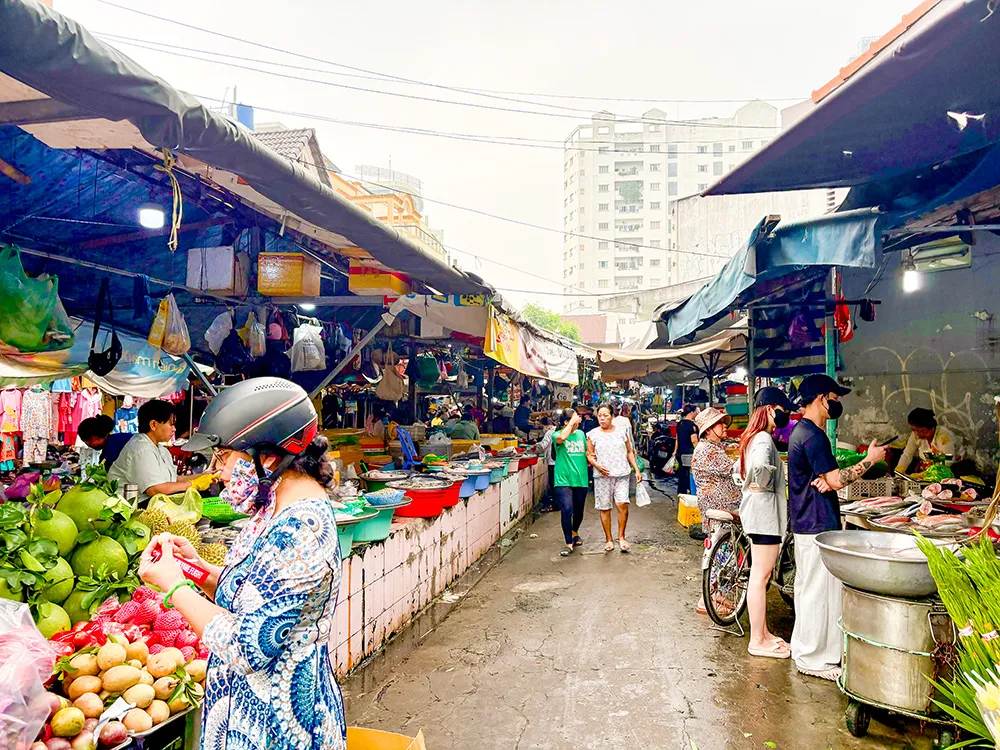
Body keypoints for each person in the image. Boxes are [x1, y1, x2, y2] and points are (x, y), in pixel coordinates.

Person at [137, 378, 347, 750]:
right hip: (245, 716)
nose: (216, 471)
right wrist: (194, 568)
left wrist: (176, 588)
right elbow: (253, 593)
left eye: (223, 457)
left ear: (267, 457)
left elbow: (250, 645)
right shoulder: (273, 508)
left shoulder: (301, 531)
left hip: (277, 727)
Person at [787, 374, 887, 681]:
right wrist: (870, 460)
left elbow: (826, 480)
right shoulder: (813, 437)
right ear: (820, 399)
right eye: (834, 397)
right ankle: (813, 659)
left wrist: (828, 481)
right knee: (818, 591)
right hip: (816, 522)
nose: (837, 402)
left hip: (807, 520)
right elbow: (835, 480)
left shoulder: (802, 432)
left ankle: (807, 650)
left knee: (809, 589)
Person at [736, 387, 795, 658]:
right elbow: (759, 468)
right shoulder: (762, 438)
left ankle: (763, 632)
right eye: (783, 409)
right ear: (770, 409)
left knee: (761, 577)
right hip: (764, 517)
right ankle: (757, 640)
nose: (786, 414)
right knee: (759, 578)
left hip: (760, 515)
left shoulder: (757, 437)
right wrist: (767, 482)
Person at [109, 400, 213, 502]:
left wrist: (204, 476)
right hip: (136, 506)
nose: (174, 429)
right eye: (171, 424)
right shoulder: (141, 449)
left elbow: (173, 480)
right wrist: (194, 484)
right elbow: (154, 490)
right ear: (153, 425)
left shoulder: (160, 449)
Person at [690, 407, 740, 613]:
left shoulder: (713, 447)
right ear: (709, 429)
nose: (725, 427)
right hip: (720, 508)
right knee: (722, 554)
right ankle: (706, 600)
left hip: (722, 507)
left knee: (726, 551)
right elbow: (736, 469)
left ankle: (718, 595)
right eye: (720, 424)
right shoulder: (708, 451)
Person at [587, 403, 642, 553]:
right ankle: (609, 539)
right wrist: (597, 465)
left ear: (612, 417)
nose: (602, 419)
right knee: (604, 507)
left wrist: (636, 469)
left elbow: (629, 452)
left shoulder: (621, 432)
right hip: (602, 476)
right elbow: (589, 454)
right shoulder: (592, 434)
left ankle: (621, 537)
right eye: (600, 416)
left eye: (605, 415)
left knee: (622, 504)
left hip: (622, 474)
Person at [551, 409, 589, 555]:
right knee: (567, 509)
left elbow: (587, 452)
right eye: (574, 418)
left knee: (579, 510)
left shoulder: (581, 435)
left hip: (580, 478)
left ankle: (574, 532)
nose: (578, 420)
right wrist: (571, 423)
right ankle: (568, 542)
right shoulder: (557, 435)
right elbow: (561, 438)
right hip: (563, 478)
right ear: (566, 422)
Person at [896, 407, 958, 474]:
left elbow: (948, 460)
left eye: (922, 431)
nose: (917, 434)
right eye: (914, 430)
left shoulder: (943, 436)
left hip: (948, 471)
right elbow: (907, 455)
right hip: (927, 470)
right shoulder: (916, 435)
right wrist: (899, 471)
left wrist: (926, 474)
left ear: (932, 428)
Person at [672, 404, 699, 496]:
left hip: (680, 453)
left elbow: (677, 438)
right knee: (689, 474)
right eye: (695, 411)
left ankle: (681, 492)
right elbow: (694, 441)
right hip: (689, 453)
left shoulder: (680, 423)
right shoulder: (692, 425)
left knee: (682, 474)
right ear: (692, 412)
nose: (696, 413)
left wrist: (675, 451)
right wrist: (700, 452)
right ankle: (689, 491)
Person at [532, 416, 558, 510]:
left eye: (542, 426)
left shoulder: (549, 433)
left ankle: (556, 505)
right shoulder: (556, 430)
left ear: (546, 425)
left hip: (552, 460)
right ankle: (557, 503)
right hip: (558, 460)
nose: (542, 428)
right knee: (557, 483)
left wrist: (534, 446)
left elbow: (543, 445)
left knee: (553, 483)